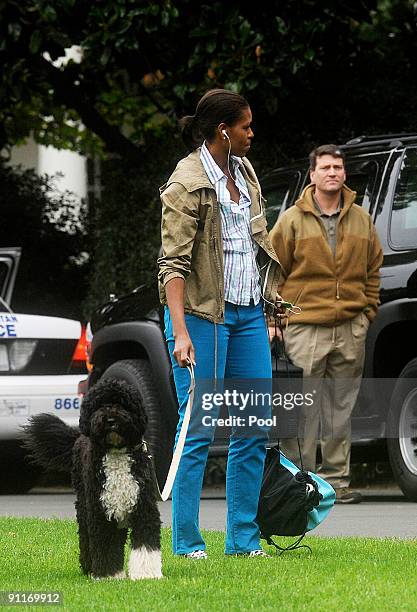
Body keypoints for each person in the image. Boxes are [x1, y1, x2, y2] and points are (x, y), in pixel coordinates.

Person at [158, 89, 282, 558]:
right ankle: (188, 542)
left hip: (249, 313)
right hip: (202, 317)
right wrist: (181, 331)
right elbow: (172, 264)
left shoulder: (244, 171)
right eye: (246, 127)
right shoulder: (185, 183)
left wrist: (271, 306)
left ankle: (242, 541)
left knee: (253, 426)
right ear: (223, 131)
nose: (253, 134)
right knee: (198, 429)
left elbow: (253, 246)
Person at [269, 144, 383, 504]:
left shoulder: (362, 219)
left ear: (345, 174)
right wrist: (276, 319)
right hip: (304, 327)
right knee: (301, 408)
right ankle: (297, 483)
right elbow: (272, 271)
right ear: (313, 175)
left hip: (350, 326)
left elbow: (373, 268)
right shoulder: (291, 220)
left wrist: (367, 312)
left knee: (340, 407)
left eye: (338, 167)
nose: (332, 172)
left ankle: (337, 482)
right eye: (325, 167)